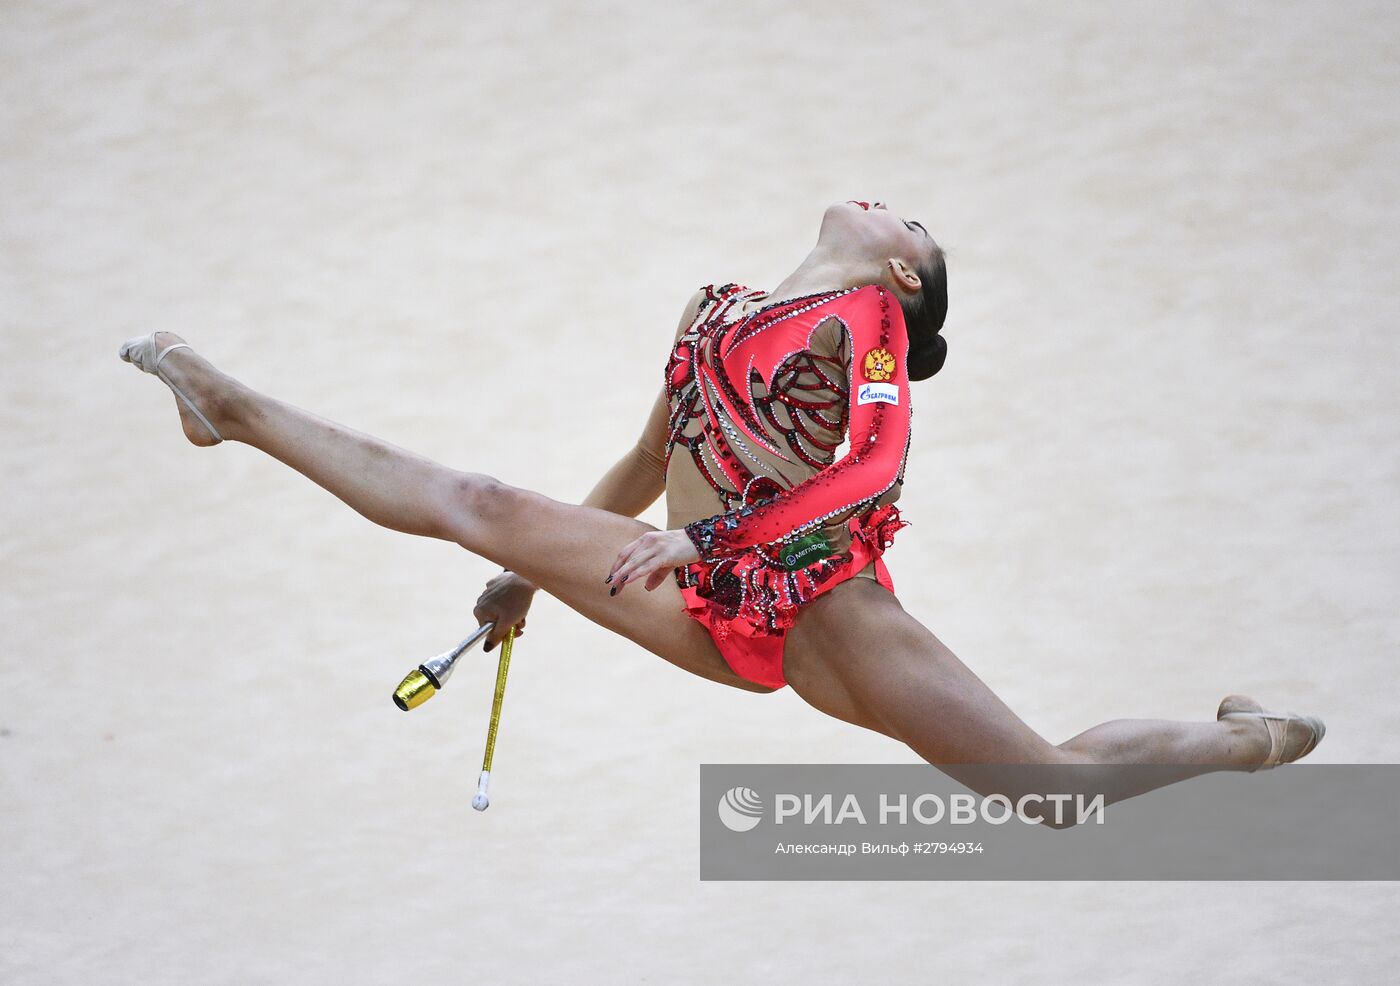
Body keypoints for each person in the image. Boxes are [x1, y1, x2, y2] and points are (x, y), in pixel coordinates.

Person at [117, 199, 1323, 812]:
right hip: (693, 582)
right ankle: (230, 404)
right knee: (482, 502)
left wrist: (711, 531)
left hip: (822, 604)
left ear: (899, 269)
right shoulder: (716, 309)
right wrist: (531, 574)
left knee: (1049, 790)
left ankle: (1246, 738)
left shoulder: (869, 329)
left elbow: (869, 471)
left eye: (907, 217)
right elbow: (650, 457)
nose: (882, 197)